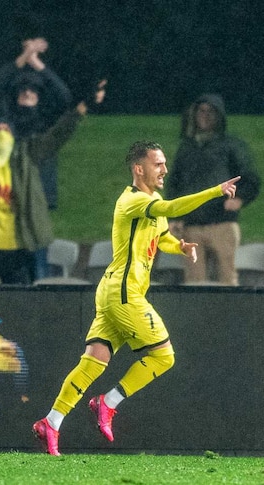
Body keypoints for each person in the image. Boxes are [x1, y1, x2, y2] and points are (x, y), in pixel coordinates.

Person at [32, 140, 240, 456]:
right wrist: (215, 191)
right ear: (138, 168)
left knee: (94, 361)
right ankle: (108, 403)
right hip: (124, 294)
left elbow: (161, 234)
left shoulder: (152, 199)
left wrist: (179, 246)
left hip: (113, 290)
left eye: (165, 163)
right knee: (164, 355)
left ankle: (51, 422)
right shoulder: (130, 201)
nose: (165, 170)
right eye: (158, 164)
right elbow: (169, 210)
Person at [0, 83, 104, 285]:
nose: (1, 132)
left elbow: (57, 135)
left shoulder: (27, 154)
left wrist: (80, 109)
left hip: (18, 246)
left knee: (19, 299)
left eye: (6, 128)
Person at [0, 38, 73, 280]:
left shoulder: (46, 121)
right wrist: (23, 58)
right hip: (8, 200)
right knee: (9, 262)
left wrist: (36, 62)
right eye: (23, 89)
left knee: (37, 265)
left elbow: (63, 96)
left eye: (33, 89)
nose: (27, 92)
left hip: (37, 198)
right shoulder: (6, 120)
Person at [165, 94, 260, 285]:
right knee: (194, 282)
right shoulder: (187, 148)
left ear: (219, 116)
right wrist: (173, 217)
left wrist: (240, 198)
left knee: (227, 280)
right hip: (191, 225)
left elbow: (250, 178)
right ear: (194, 114)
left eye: (211, 112)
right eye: (201, 111)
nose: (205, 116)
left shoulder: (231, 146)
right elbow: (174, 184)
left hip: (222, 223)